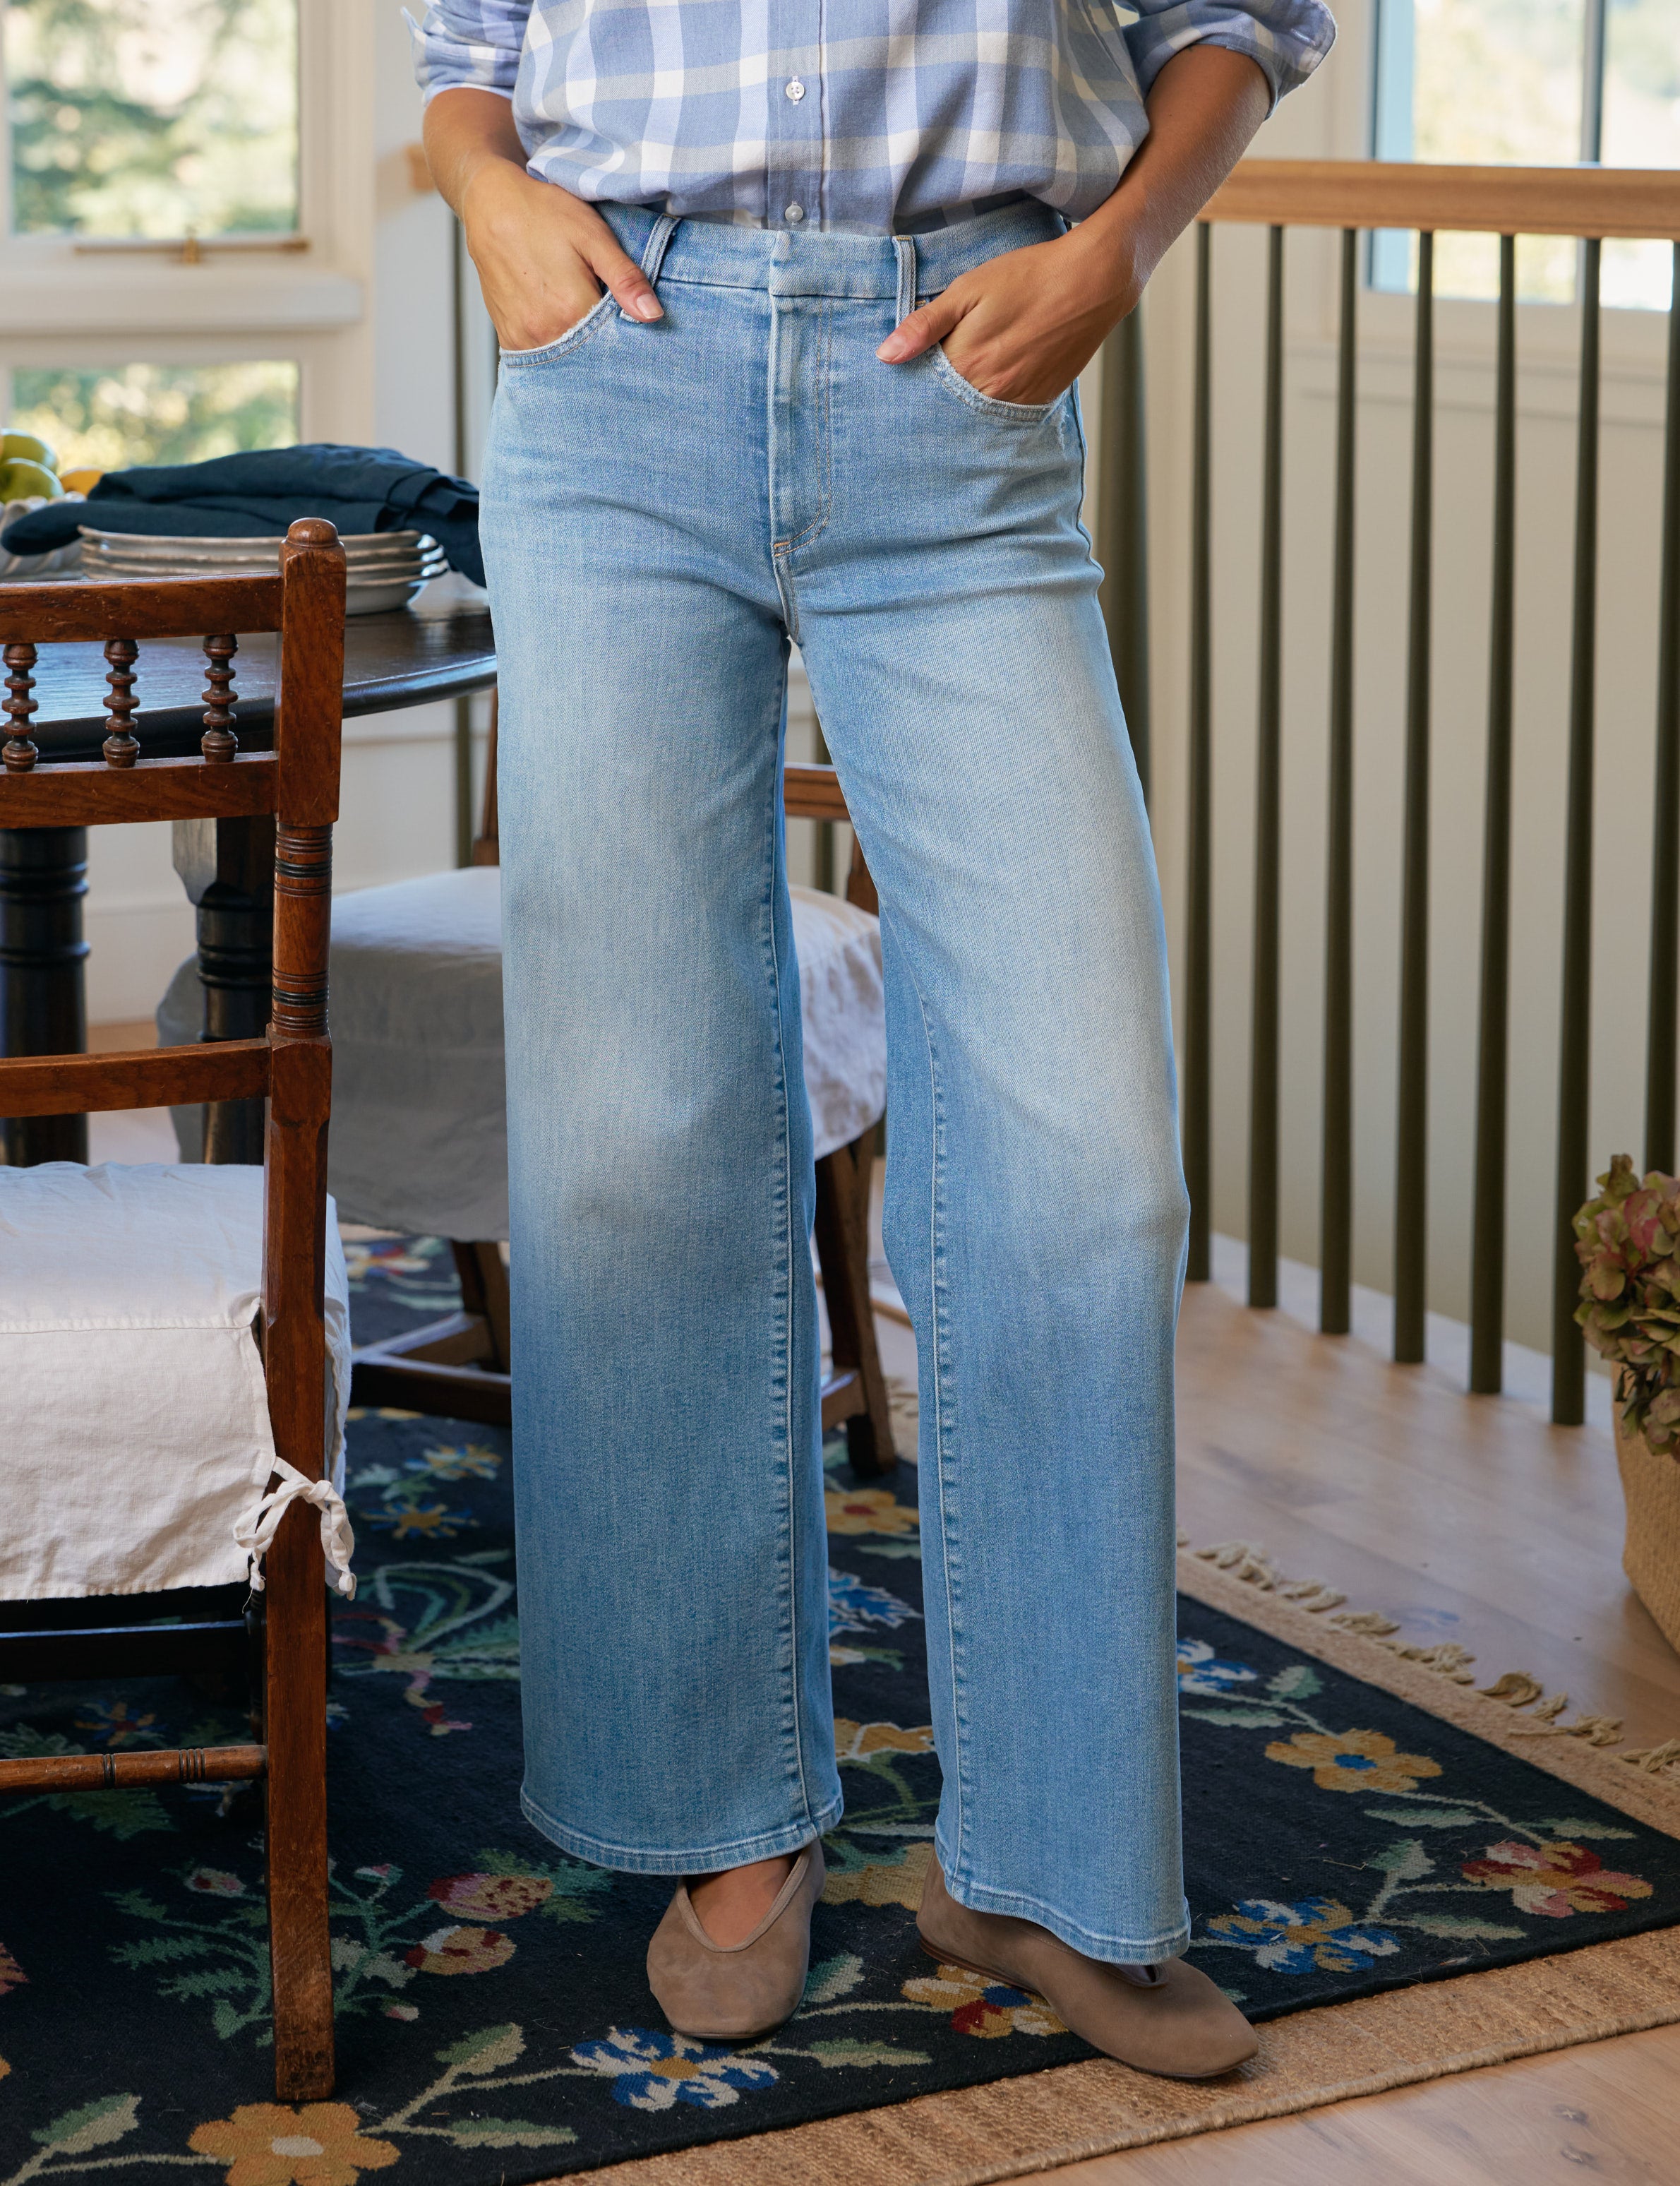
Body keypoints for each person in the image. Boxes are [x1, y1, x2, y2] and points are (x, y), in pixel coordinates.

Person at [412, 0, 1333, 2079]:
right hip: (619, 362)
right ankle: (725, 1827)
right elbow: (469, 35)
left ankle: (1047, 1867)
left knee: (1089, 1169)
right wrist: (486, 190)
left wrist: (1118, 246)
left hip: (961, 373)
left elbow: (1242, 18)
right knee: (640, 1135)